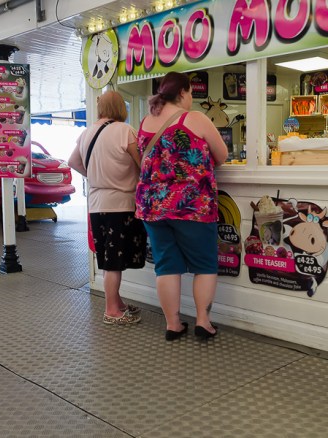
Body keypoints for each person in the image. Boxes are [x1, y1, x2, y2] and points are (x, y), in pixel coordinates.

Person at [135, 72, 229, 341]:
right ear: (183, 93)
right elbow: (222, 155)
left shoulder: (146, 122)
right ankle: (203, 322)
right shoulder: (195, 118)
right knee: (204, 264)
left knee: (166, 264)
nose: (191, 99)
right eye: (191, 94)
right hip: (191, 205)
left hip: (153, 206)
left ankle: (173, 325)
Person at [68, 90, 147, 326]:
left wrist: (94, 175)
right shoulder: (125, 131)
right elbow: (143, 165)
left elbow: (72, 161)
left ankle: (117, 302)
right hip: (120, 204)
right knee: (115, 260)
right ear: (121, 108)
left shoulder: (87, 132)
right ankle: (111, 310)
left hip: (96, 205)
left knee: (108, 257)